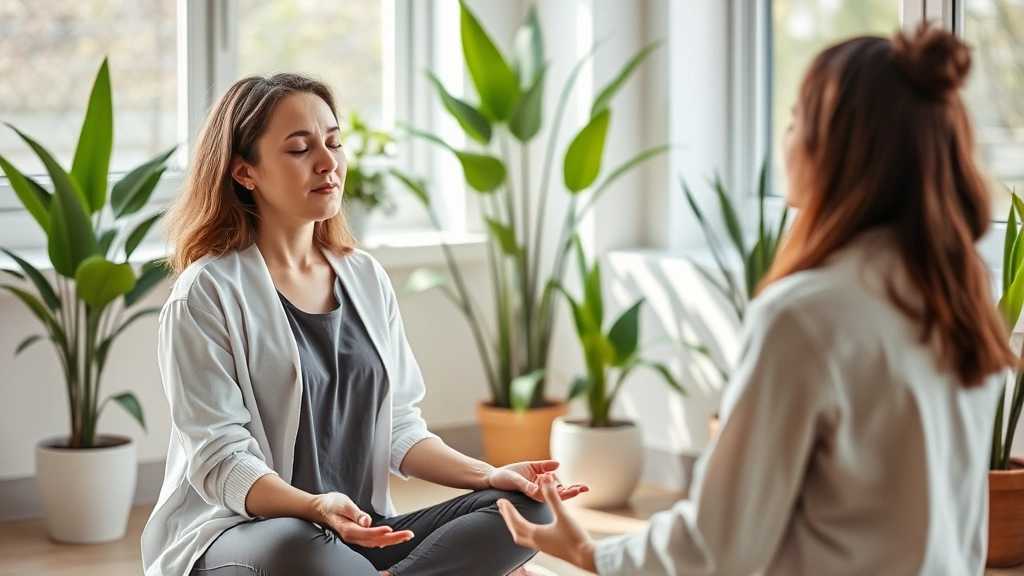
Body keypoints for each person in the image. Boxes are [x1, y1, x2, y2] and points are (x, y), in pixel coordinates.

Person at [497, 25, 1016, 576]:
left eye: (795, 119)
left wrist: (593, 553)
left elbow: (719, 545)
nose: (785, 138)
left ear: (835, 147)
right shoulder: (963, 298)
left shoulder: (804, 314)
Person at [139, 73, 588, 576]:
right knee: (296, 545)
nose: (327, 162)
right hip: (250, 537)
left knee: (524, 510)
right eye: (299, 149)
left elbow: (399, 428)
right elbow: (221, 463)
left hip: (362, 534)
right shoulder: (206, 294)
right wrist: (315, 507)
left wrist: (490, 475)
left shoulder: (364, 277)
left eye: (334, 143)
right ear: (246, 172)